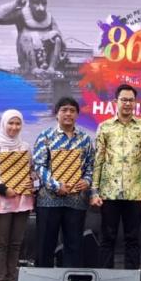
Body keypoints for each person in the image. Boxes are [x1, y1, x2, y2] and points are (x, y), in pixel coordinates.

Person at [91, 84, 141, 270]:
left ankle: (132, 280)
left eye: (131, 100)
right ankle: (105, 279)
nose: (127, 103)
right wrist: (94, 191)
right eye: (124, 100)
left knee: (133, 239)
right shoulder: (105, 127)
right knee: (107, 238)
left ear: (135, 103)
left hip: (135, 192)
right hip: (109, 192)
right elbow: (98, 160)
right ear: (115, 102)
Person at [33, 97, 95, 268]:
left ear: (77, 115)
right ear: (56, 114)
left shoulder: (85, 139)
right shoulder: (45, 136)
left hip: (76, 201)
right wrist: (56, 186)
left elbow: (91, 165)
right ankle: (43, 280)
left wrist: (87, 180)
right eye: (64, 110)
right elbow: (39, 165)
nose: (68, 114)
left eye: (72, 110)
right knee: (45, 245)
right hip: (49, 200)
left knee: (74, 245)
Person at [0, 109, 34, 281]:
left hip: (22, 200)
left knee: (16, 242)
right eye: (10, 123)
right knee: (1, 243)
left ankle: (12, 280)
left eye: (17, 123)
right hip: (1, 200)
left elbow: (31, 170)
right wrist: (4, 189)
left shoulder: (25, 146)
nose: (14, 127)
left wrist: (32, 181)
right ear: (4, 124)